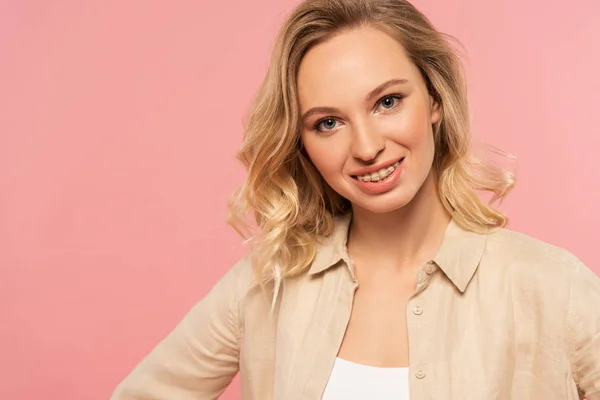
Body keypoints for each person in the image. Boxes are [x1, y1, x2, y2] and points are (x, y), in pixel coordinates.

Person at [111, 0, 600, 398]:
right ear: (302, 142)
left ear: (434, 99)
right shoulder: (268, 286)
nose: (366, 148)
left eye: (388, 102)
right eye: (328, 123)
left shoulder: (554, 288)